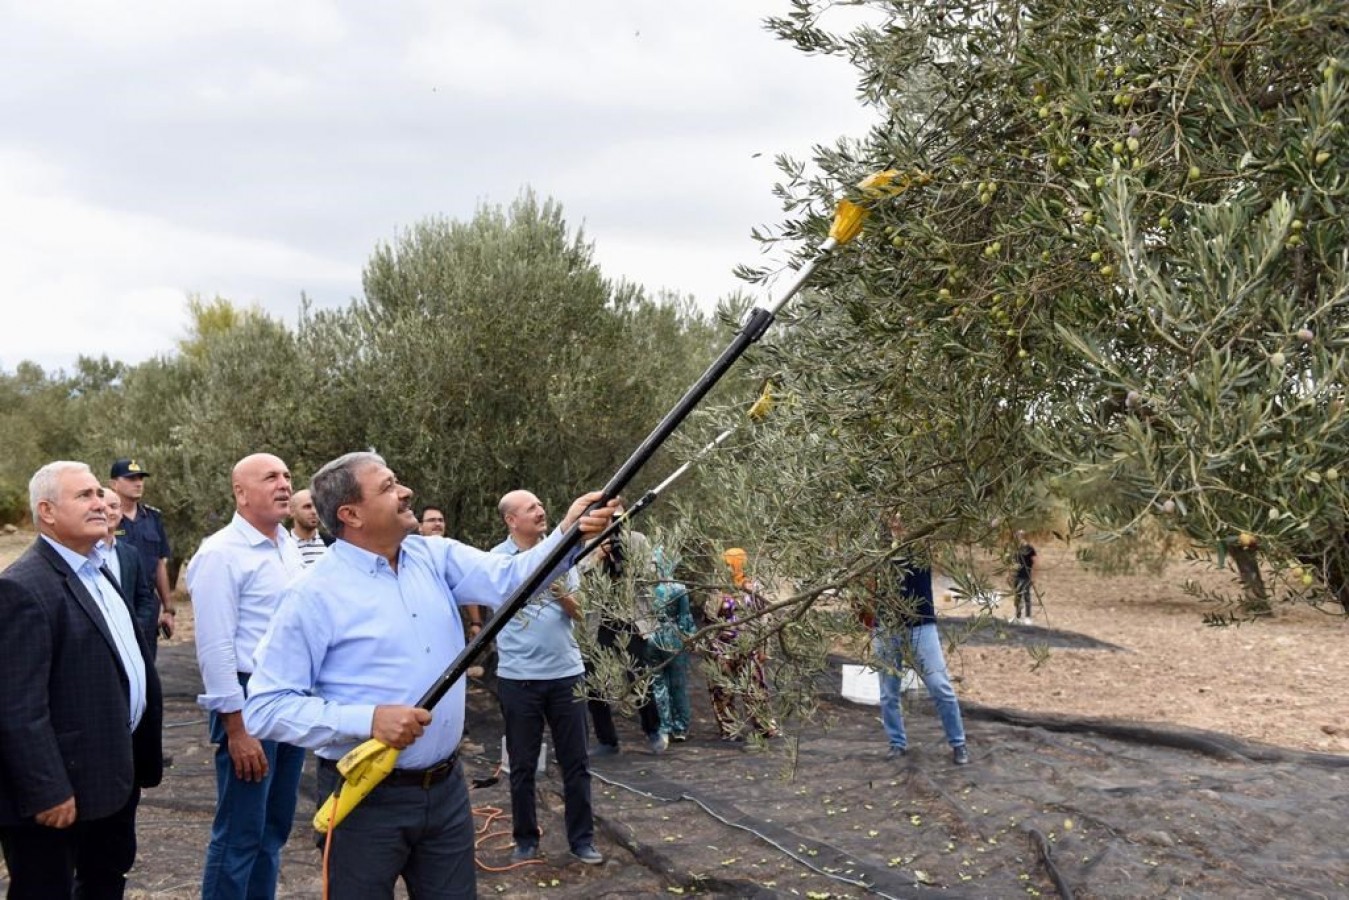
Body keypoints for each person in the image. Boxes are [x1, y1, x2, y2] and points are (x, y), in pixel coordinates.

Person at [243, 451, 616, 899]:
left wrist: (567, 533)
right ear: (351, 514)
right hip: (363, 798)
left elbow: (511, 579)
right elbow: (265, 707)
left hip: (446, 794)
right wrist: (368, 719)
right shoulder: (312, 593)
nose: (406, 492)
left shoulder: (432, 555)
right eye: (387, 487)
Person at [0, 461, 163, 898]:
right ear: (47, 512)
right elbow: (17, 707)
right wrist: (47, 790)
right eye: (85, 496)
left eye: (98, 493)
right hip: (61, 795)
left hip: (112, 776)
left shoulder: (99, 568)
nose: (100, 504)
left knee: (104, 882)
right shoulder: (23, 588)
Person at [186, 453, 308, 900]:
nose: (283, 485)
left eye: (287, 477)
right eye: (270, 477)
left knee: (273, 828)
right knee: (240, 831)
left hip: (289, 697)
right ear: (240, 493)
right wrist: (236, 729)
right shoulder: (220, 554)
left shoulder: (287, 545)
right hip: (248, 702)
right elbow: (215, 648)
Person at [491, 490, 601, 865]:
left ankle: (582, 840)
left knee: (577, 763)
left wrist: (557, 591)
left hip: (567, 676)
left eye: (541, 504)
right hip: (518, 678)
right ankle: (525, 839)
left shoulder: (564, 555)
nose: (541, 511)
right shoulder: (495, 562)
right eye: (531, 508)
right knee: (522, 765)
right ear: (511, 520)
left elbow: (582, 613)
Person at [869, 516, 970, 765]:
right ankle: (897, 743)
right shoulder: (875, 548)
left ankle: (958, 743)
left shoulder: (920, 543)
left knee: (939, 686)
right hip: (886, 626)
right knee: (888, 691)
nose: (897, 521)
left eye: (903, 516)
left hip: (921, 625)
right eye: (893, 516)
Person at [585, 510, 667, 754]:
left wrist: (630, 559)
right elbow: (577, 579)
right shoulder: (587, 545)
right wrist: (598, 557)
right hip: (598, 623)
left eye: (619, 517)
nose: (614, 522)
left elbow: (653, 576)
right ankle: (607, 740)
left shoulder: (638, 540)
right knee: (594, 682)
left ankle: (653, 731)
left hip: (631, 619)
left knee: (639, 676)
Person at [706, 548, 778, 742]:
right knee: (722, 691)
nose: (729, 567)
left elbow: (765, 619)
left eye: (732, 563)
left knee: (755, 688)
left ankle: (764, 726)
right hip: (722, 648)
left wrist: (764, 648)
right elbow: (709, 618)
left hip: (750, 646)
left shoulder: (754, 589)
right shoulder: (717, 590)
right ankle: (729, 728)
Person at [109, 458, 176, 640]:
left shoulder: (153, 518)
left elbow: (159, 564)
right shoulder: (105, 520)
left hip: (147, 605)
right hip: (116, 601)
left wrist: (168, 609)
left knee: (147, 663)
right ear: (114, 484)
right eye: (131, 479)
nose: (138, 483)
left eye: (140, 479)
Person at [99, 488, 162, 651]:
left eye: (114, 507)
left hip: (131, 639)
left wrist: (135, 627)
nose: (108, 512)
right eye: (101, 508)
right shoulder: (83, 553)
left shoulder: (130, 553)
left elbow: (144, 597)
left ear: (121, 513)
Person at [648, 546, 695, 742]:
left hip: (652, 637)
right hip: (674, 638)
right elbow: (685, 618)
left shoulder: (649, 588)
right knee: (678, 684)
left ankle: (664, 725)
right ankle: (681, 727)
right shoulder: (679, 588)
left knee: (658, 684)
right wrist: (690, 638)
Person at [289, 488, 330, 568]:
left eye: (317, 507)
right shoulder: (283, 546)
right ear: (292, 511)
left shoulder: (332, 544)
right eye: (307, 507)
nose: (314, 512)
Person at [1012, 530, 1037, 625]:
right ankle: (1017, 616)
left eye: (1018, 536)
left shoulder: (1029, 548)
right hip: (1017, 576)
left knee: (1026, 597)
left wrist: (1033, 577)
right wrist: (1010, 575)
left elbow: (1035, 562)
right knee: (1017, 597)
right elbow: (1013, 563)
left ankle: (1028, 617)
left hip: (1026, 576)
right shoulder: (1016, 549)